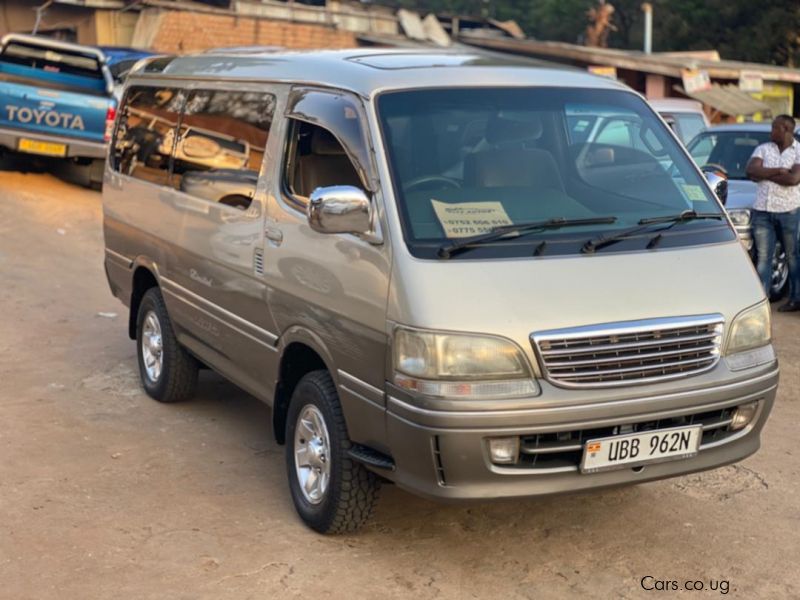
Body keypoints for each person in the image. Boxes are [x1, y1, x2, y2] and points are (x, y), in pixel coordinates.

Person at [745, 114, 800, 311]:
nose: (771, 132)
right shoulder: (763, 149)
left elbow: (794, 180)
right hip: (762, 212)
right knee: (763, 257)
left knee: (792, 255)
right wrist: (780, 171)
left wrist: (765, 173)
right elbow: (750, 171)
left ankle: (795, 298)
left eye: (775, 128)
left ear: (786, 129)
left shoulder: (798, 151)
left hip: (788, 211)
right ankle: (762, 300)